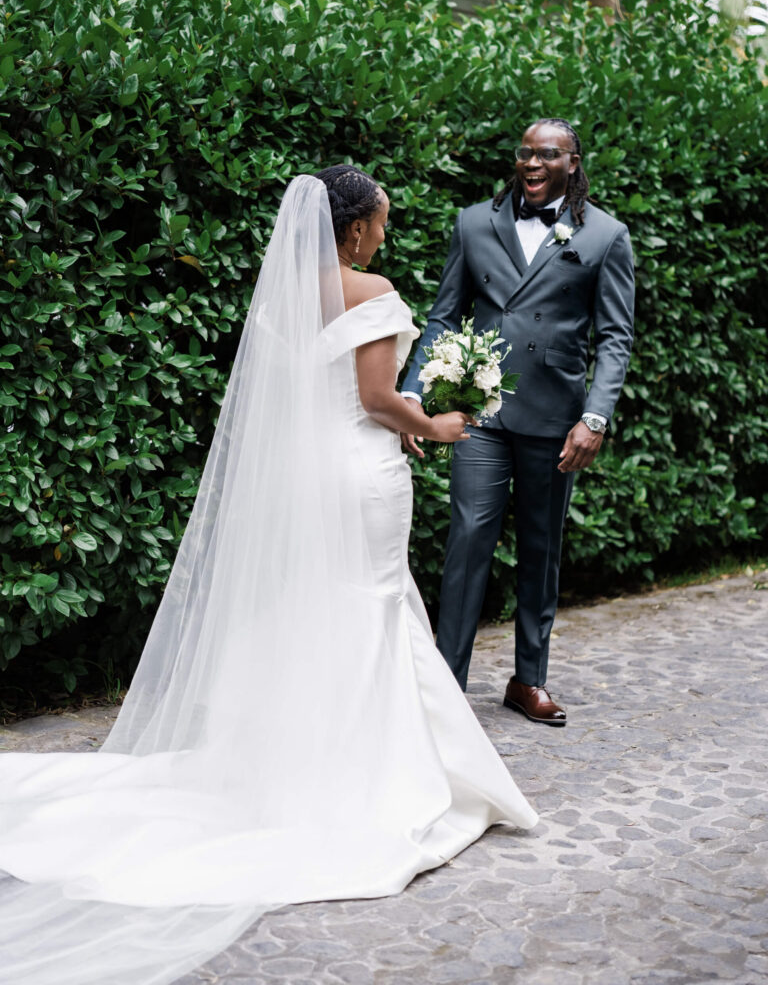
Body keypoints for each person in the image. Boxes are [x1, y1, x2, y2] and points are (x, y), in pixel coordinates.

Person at [0, 169, 537, 985]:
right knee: (372, 605)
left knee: (321, 606)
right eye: (382, 224)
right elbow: (373, 396)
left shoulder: (288, 291)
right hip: (359, 473)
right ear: (354, 228)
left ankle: (289, 757)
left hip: (308, 470)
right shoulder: (371, 287)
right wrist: (436, 420)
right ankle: (369, 775)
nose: (385, 237)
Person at [401, 119, 635, 726]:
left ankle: (528, 680)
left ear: (573, 163)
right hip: (480, 414)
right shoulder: (474, 222)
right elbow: (443, 317)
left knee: (541, 548)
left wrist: (595, 416)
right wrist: (410, 394)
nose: (532, 163)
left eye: (547, 155)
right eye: (525, 153)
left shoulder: (605, 235)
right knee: (469, 537)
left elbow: (615, 338)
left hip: (557, 420)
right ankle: (447, 683)